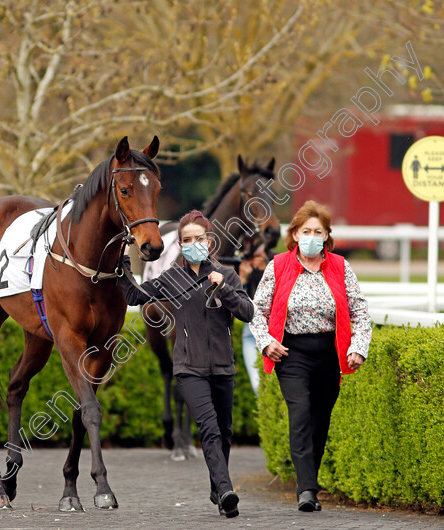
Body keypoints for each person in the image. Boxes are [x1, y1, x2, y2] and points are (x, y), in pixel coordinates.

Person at [119, 210, 254, 518]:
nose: (194, 244)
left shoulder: (226, 275)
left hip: (223, 367)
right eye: (187, 240)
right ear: (179, 245)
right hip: (188, 369)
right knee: (208, 429)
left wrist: (227, 289)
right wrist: (125, 262)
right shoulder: (171, 278)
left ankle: (216, 487)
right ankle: (227, 491)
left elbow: (248, 312)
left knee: (225, 431)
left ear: (210, 241)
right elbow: (133, 296)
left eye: (199, 239)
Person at [249, 200, 371, 512]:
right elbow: (256, 311)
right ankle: (307, 490)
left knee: (319, 421)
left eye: (318, 231)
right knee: (300, 414)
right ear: (295, 234)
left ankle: (309, 482)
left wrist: (358, 347)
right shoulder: (278, 266)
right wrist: (266, 343)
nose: (312, 236)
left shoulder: (341, 267)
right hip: (291, 353)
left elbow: (361, 312)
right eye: (306, 231)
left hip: (329, 354)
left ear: (327, 236)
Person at [237, 247, 274, 394]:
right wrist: (243, 279)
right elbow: (237, 306)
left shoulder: (277, 262)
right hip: (251, 331)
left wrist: (268, 267)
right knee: (257, 385)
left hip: (275, 329)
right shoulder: (244, 266)